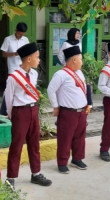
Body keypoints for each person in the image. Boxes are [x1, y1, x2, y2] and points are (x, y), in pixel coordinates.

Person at [4, 42, 52, 191]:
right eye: (37, 57)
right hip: (20, 112)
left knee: (34, 143)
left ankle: (36, 173)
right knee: (16, 146)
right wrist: (14, 116)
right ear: (29, 59)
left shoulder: (34, 74)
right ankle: (10, 178)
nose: (39, 60)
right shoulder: (13, 77)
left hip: (33, 110)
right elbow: (9, 100)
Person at [48, 46, 89, 174]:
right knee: (65, 138)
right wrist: (55, 106)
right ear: (74, 60)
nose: (82, 62)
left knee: (80, 137)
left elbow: (85, 90)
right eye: (81, 59)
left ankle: (77, 159)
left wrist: (88, 105)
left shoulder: (80, 73)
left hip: (81, 111)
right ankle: (62, 162)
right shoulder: (61, 74)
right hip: (68, 112)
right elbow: (51, 90)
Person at [0, 22, 29, 116]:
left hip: (23, 68)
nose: (21, 36)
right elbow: (3, 54)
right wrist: (15, 54)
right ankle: (3, 112)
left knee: (22, 89)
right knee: (9, 90)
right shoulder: (8, 39)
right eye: (19, 34)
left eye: (22, 35)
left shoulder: (25, 40)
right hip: (12, 69)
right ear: (15, 31)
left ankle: (17, 110)